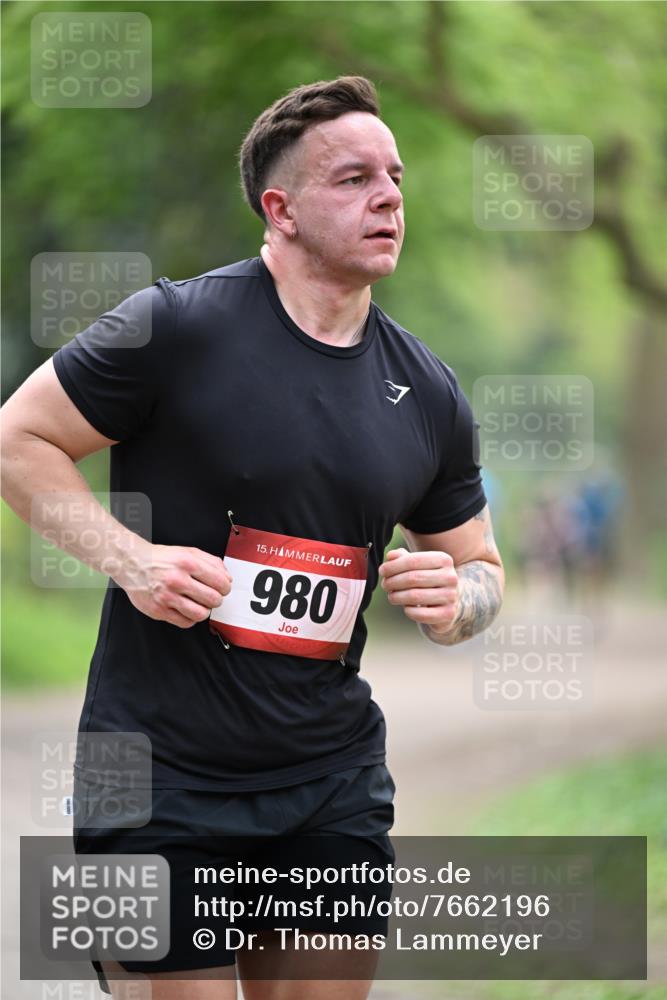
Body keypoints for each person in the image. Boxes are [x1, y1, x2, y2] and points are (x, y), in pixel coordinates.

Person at [1, 76, 504, 1000]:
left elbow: (480, 568)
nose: (388, 197)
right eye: (353, 178)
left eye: (394, 176)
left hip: (330, 777)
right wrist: (131, 559)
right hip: (149, 772)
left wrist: (458, 599)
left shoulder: (428, 392)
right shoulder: (174, 326)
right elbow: (17, 441)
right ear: (281, 210)